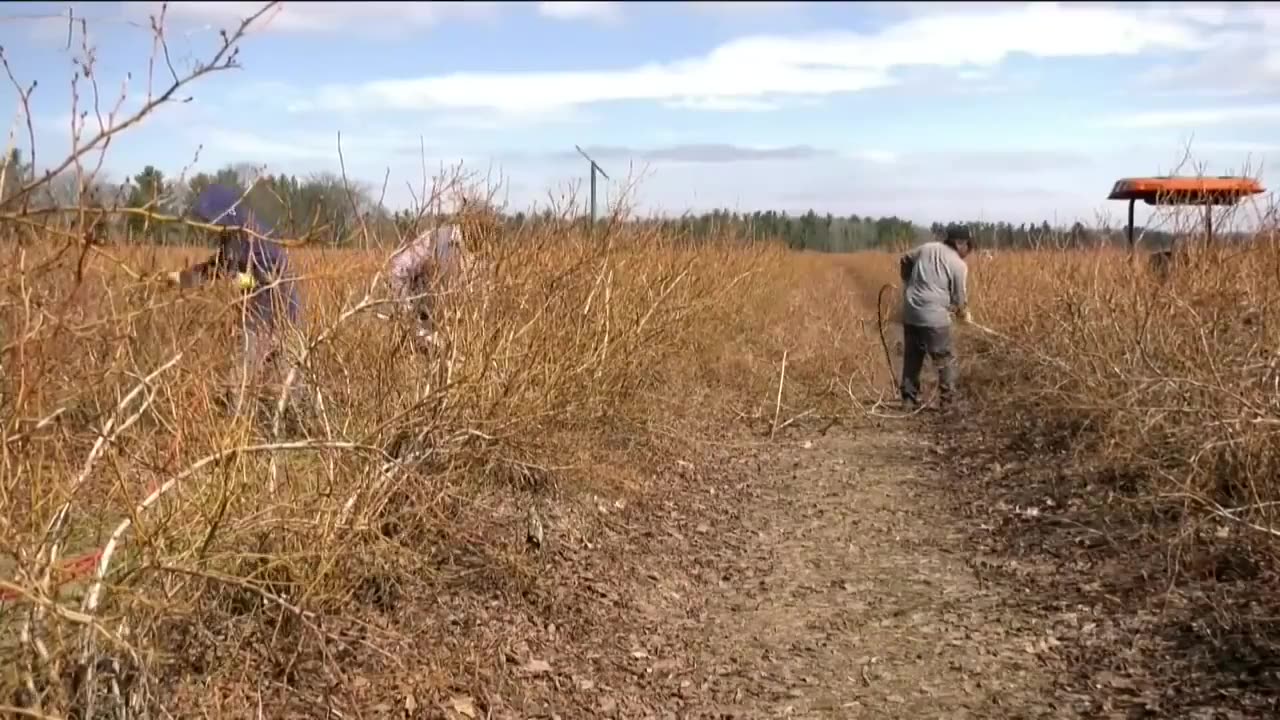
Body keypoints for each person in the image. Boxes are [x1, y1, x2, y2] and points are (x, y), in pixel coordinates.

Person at [164, 184, 304, 417]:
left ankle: (240, 420)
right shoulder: (239, 236)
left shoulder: (248, 239)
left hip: (274, 306)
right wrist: (178, 279)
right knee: (284, 370)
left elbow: (257, 279)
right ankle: (292, 418)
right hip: (274, 306)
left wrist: (235, 282)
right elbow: (215, 269)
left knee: (256, 368)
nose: (209, 227)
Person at [897, 224, 973, 410]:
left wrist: (908, 281)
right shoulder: (959, 265)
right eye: (968, 245)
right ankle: (948, 403)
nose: (969, 250)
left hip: (911, 310)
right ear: (960, 243)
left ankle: (908, 400)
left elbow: (904, 259)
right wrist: (964, 314)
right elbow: (959, 298)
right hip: (935, 317)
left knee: (912, 358)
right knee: (945, 359)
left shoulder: (927, 248)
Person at [385, 222, 467, 356]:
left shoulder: (489, 251)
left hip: (460, 343)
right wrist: (410, 319)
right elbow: (397, 272)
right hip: (423, 337)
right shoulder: (436, 239)